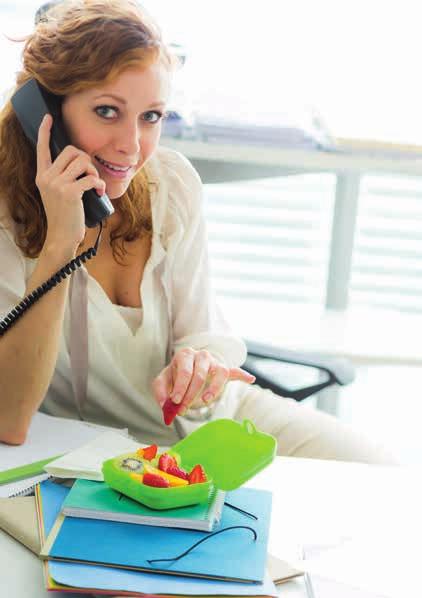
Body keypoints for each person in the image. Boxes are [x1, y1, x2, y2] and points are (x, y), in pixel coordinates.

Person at [0, 0, 395, 463]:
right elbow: (10, 418)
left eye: (151, 116)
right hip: (102, 451)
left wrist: (201, 361)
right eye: (107, 111)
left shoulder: (170, 184)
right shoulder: (7, 219)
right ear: (43, 111)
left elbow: (201, 330)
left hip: (211, 421)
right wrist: (61, 245)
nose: (131, 146)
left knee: (380, 469)